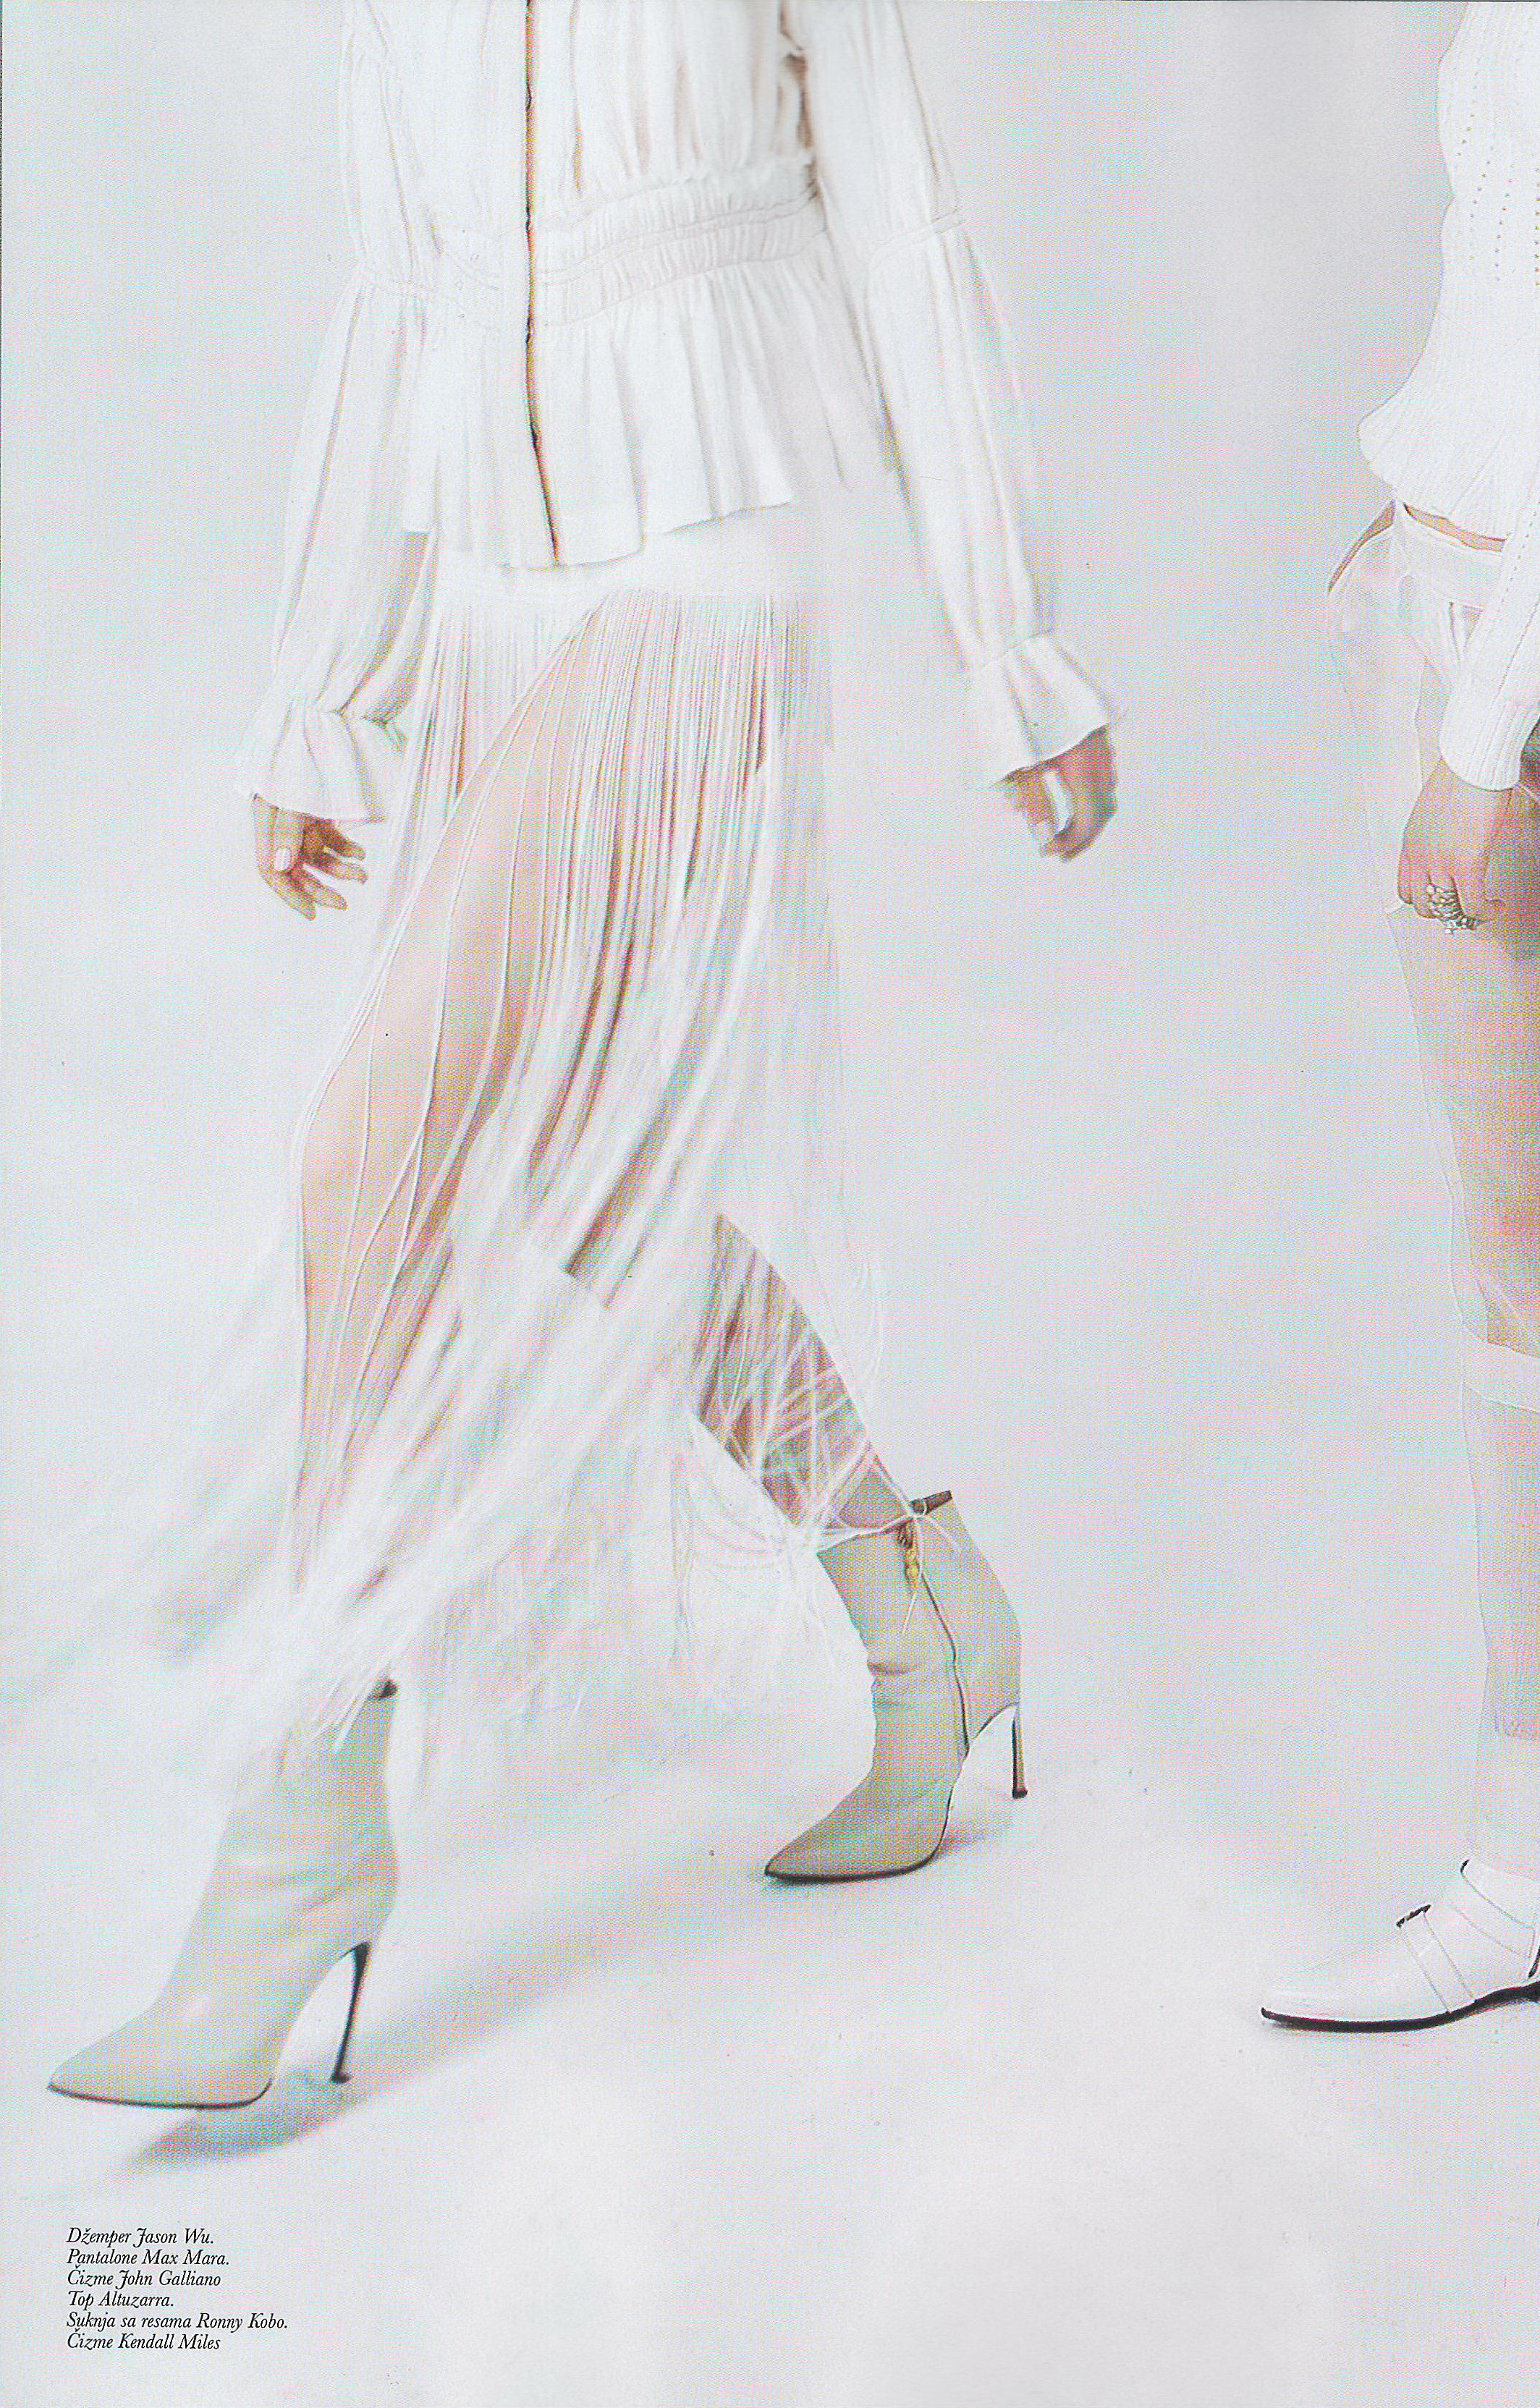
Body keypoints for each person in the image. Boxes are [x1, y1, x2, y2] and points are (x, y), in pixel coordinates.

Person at [48, 0, 1116, 2110]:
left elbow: (904, 231)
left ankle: (300, 1819)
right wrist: (327, 692)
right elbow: (395, 293)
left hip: (696, 571)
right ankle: (917, 1604)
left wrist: (1010, 648)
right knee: (578, 1184)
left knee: (373, 1158)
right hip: (486, 603)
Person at [1264, 0, 1540, 2033]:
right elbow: (1532, 287)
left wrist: (1481, 726)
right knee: (1526, 1270)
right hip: (1462, 633)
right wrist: (1423, 517)